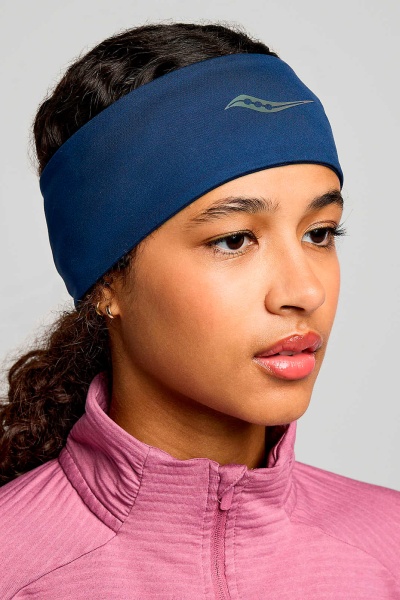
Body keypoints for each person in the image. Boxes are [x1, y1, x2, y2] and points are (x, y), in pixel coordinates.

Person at [0, 21, 399, 599]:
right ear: (106, 279)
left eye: (319, 233)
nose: (304, 292)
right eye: (234, 240)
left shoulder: (388, 548)